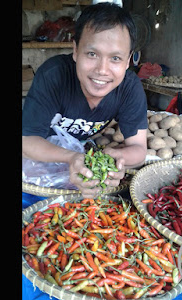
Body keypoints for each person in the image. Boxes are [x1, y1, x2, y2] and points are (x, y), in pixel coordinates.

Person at [22, 2, 148, 198]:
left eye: (115, 58)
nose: (102, 70)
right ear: (75, 50)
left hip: (84, 154)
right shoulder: (54, 75)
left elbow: (139, 149)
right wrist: (72, 158)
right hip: (44, 156)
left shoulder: (130, 88)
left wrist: (119, 158)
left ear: (128, 60)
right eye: (92, 54)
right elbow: (26, 142)